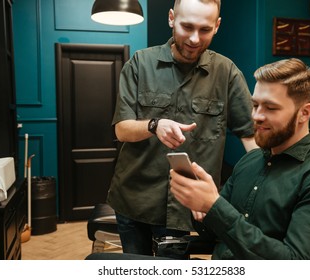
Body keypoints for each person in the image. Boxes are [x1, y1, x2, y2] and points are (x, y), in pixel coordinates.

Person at [107, 0, 258, 257]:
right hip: (134, 198)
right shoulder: (140, 64)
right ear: (171, 18)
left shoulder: (227, 72)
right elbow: (121, 130)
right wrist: (155, 125)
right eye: (187, 27)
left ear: (217, 26)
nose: (195, 39)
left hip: (189, 205)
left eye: (205, 29)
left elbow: (250, 138)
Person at [170, 58, 310, 259]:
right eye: (255, 105)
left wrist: (215, 207)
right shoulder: (250, 161)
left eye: (270, 108)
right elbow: (215, 231)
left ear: (304, 112)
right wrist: (200, 206)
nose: (257, 116)